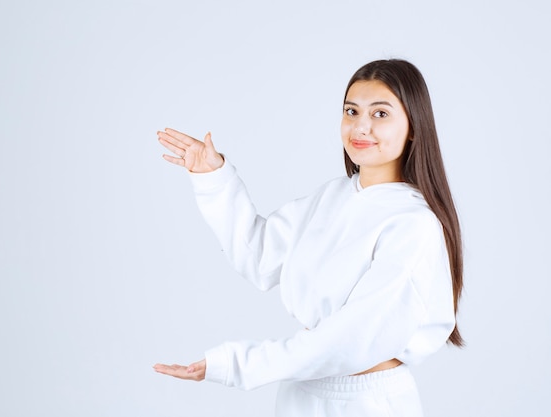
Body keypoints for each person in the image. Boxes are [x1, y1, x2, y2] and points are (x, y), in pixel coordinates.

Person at [153, 59, 463, 417]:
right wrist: (215, 179)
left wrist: (237, 364)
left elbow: (352, 336)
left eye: (380, 114)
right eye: (351, 111)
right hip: (300, 393)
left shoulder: (414, 224)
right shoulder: (331, 198)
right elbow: (259, 258)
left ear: (412, 127)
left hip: (369, 403)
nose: (360, 127)